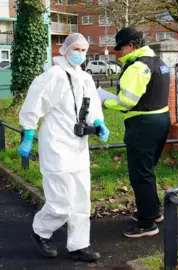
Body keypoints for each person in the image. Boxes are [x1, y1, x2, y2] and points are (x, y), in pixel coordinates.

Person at [17, 33, 110, 261]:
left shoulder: (86, 78)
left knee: (80, 199)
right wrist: (28, 134)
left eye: (84, 50)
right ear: (65, 50)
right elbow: (33, 105)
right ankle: (41, 231)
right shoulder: (52, 76)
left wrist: (98, 123)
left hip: (79, 147)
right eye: (76, 49)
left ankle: (79, 244)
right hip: (57, 147)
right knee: (62, 201)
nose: (80, 54)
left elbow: (93, 106)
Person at [103, 27, 170, 238]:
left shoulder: (137, 67)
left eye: (120, 47)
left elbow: (126, 101)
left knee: (140, 174)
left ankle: (147, 223)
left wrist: (104, 101)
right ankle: (153, 211)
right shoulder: (158, 62)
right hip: (161, 120)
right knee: (147, 170)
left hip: (143, 125)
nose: (119, 52)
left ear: (131, 45)